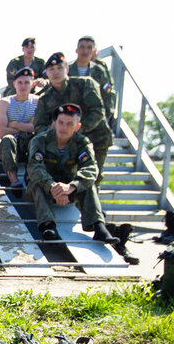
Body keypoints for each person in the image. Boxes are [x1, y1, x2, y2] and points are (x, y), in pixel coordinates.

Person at [27, 104, 118, 244]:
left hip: (69, 186)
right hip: (46, 185)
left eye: (70, 124)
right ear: (54, 123)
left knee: (89, 184)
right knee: (35, 184)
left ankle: (99, 227)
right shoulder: (40, 140)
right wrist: (53, 186)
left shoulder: (82, 142)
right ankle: (48, 226)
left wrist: (71, 187)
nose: (64, 127)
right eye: (61, 123)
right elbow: (35, 168)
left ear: (77, 126)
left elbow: (91, 168)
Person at [33, 52, 113, 181]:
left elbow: (97, 111)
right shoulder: (45, 99)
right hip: (64, 144)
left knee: (93, 178)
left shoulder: (85, 84)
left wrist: (76, 130)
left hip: (95, 138)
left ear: (67, 69)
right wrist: (54, 133)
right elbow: (39, 125)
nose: (55, 72)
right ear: (46, 73)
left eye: (59, 68)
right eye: (51, 69)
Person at [0, 67, 39, 192]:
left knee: (36, 138)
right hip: (11, 147)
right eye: (20, 82)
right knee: (7, 139)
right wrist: (26, 127)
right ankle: (14, 180)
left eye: (27, 82)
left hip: (30, 145)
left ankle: (31, 179)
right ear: (14, 84)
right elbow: (1, 132)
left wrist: (14, 124)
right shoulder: (5, 103)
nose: (23, 86)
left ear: (32, 84)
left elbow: (37, 127)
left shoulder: (37, 102)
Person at [69, 36, 116, 127]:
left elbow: (108, 95)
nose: (85, 51)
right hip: (69, 117)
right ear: (76, 50)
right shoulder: (67, 70)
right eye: (82, 47)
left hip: (93, 119)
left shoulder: (99, 71)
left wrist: (104, 117)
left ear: (94, 51)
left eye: (89, 48)